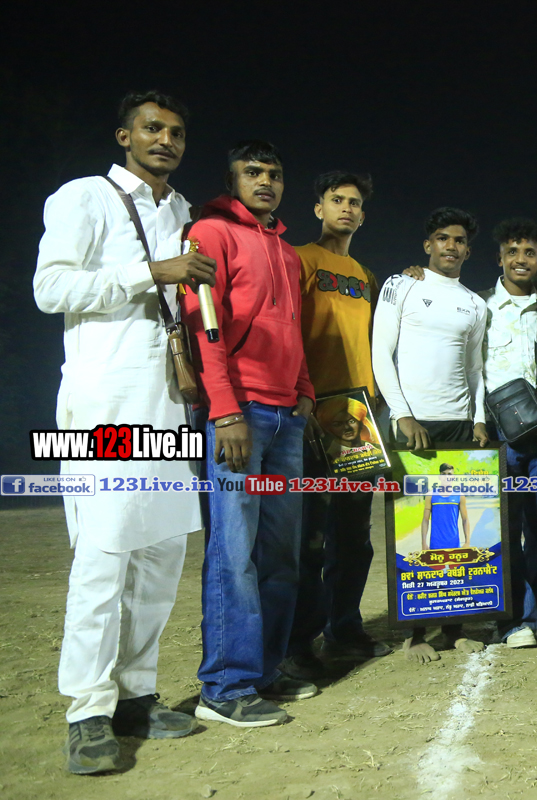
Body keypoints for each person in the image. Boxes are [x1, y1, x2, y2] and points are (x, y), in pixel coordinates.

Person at [34, 90, 209, 773]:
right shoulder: (84, 197)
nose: (166, 140)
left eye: (176, 132)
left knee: (160, 556)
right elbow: (51, 289)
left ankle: (137, 695)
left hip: (167, 407)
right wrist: (150, 273)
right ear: (124, 136)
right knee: (104, 557)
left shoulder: (184, 211)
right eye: (152, 128)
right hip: (105, 409)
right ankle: (87, 712)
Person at [181, 140, 317, 727]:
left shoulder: (286, 252)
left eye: (275, 174)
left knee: (281, 553)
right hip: (239, 414)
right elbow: (204, 326)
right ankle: (225, 686)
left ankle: (265, 669)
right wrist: (225, 409)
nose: (266, 181)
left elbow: (293, 328)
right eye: (253, 172)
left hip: (286, 415)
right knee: (233, 552)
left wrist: (305, 388)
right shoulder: (209, 233)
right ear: (232, 179)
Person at [282, 172, 390, 682]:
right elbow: (286, 330)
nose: (346, 208)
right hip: (312, 408)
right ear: (319, 208)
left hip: (358, 414)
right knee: (310, 538)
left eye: (355, 203)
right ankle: (299, 642)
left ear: (363, 216)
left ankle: (344, 629)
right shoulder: (298, 259)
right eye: (337, 200)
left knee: (353, 536)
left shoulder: (365, 274)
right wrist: (298, 398)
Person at [373, 206, 488, 662]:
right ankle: (415, 634)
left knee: (457, 528)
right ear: (428, 245)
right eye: (443, 238)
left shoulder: (474, 304)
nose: (450, 246)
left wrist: (478, 418)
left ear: (467, 251)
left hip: (458, 424)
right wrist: (402, 415)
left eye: (459, 240)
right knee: (411, 529)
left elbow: (475, 369)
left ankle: (454, 627)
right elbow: (381, 352)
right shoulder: (401, 285)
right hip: (412, 424)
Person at [478, 219, 537, 648]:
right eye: (512, 251)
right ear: (500, 258)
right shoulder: (481, 307)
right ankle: (516, 619)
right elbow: (473, 371)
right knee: (508, 528)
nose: (521, 259)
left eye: (529, 252)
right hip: (502, 434)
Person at [423, 465, 471, 549]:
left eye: (449, 474)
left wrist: (467, 542)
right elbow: (425, 520)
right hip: (435, 545)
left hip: (454, 544)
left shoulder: (459, 495)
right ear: (439, 477)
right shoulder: (430, 495)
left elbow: (465, 520)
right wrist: (423, 543)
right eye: (443, 474)